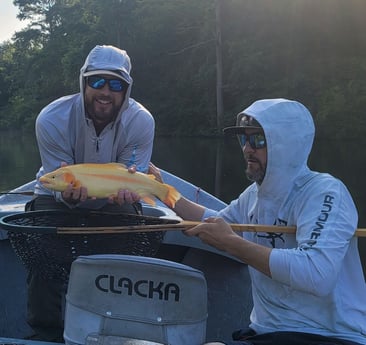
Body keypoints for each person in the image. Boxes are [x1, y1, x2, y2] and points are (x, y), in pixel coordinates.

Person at [148, 98, 366, 345]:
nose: (247, 149)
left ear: (286, 145)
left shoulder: (325, 193)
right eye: (244, 139)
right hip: (267, 333)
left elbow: (317, 274)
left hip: (327, 336)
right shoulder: (254, 195)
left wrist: (233, 243)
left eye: (258, 140)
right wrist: (163, 192)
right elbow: (218, 223)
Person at [25, 45, 155, 341]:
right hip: (57, 193)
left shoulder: (141, 121)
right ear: (83, 82)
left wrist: (131, 193)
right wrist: (65, 197)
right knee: (42, 246)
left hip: (113, 196)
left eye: (116, 84)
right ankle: (44, 330)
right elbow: (55, 180)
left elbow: (130, 174)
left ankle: (115, 324)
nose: (105, 92)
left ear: (126, 90)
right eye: (97, 82)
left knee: (127, 238)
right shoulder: (51, 119)